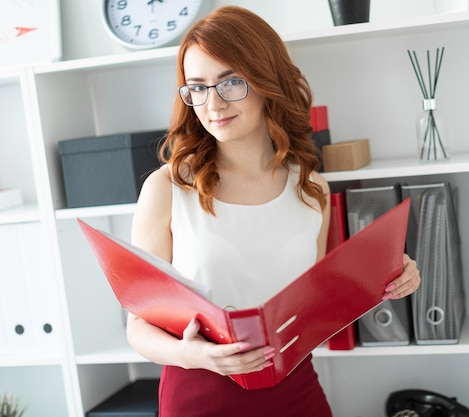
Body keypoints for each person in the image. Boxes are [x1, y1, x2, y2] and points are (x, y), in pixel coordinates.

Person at [127, 5, 421, 417]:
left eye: (230, 82)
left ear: (267, 81)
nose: (213, 104)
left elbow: (316, 309)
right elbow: (138, 328)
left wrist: (390, 278)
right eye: (197, 87)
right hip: (199, 395)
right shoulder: (167, 189)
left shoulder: (311, 188)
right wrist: (197, 356)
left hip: (294, 390)